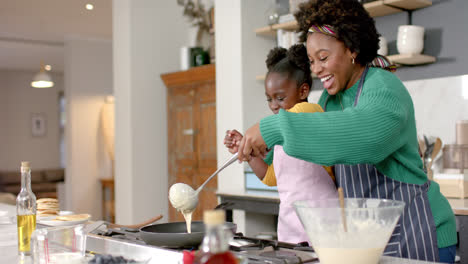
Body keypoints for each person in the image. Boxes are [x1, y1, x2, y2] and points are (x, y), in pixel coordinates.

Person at [236, 0, 457, 262]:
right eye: (311, 61)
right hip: (368, 236)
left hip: (418, 230)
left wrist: (274, 127)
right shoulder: (329, 101)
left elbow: (361, 137)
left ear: (351, 48)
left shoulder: (383, 87)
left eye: (323, 58)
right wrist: (264, 152)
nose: (316, 69)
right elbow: (316, 154)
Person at [224, 44, 337, 244]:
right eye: (269, 99)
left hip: (324, 221)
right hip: (291, 224)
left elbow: (292, 119)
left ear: (303, 91)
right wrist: (248, 153)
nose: (274, 105)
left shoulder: (310, 112)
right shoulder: (281, 131)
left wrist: (256, 136)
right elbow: (270, 177)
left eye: (280, 98)